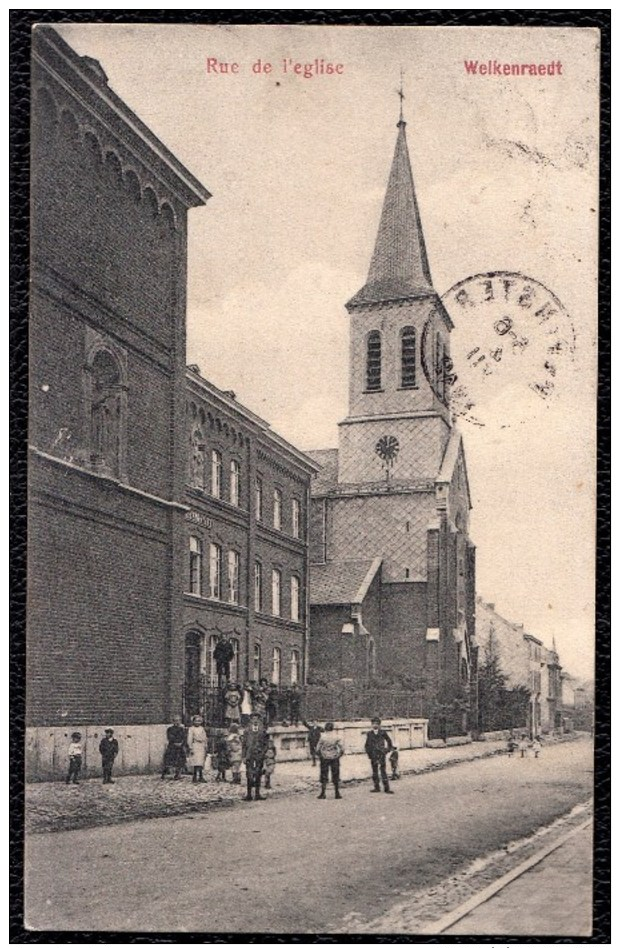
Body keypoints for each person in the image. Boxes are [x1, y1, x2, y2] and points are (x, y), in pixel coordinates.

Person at [242, 712, 269, 801]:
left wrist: (263, 752)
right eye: (253, 719)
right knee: (249, 774)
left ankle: (257, 794)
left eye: (257, 719)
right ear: (251, 720)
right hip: (249, 755)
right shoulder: (246, 731)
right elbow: (244, 744)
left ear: (259, 720)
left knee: (258, 773)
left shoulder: (263, 731)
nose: (255, 721)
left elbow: (266, 744)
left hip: (259, 755)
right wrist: (243, 756)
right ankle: (249, 794)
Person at [365, 718, 394, 793]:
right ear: (371, 725)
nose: (375, 725)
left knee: (383, 771)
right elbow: (367, 744)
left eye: (377, 723)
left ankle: (387, 788)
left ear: (379, 725)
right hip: (373, 754)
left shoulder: (383, 732)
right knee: (374, 771)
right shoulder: (369, 733)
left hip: (381, 754)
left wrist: (387, 750)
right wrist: (369, 754)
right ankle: (376, 787)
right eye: (373, 723)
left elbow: (389, 741)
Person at [316, 722, 344, 799]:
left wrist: (321, 756)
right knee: (335, 774)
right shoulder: (336, 737)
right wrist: (339, 755)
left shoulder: (323, 737)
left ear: (325, 728)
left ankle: (323, 793)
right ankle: (337, 793)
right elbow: (342, 748)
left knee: (324, 774)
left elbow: (318, 749)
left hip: (325, 757)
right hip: (334, 757)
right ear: (333, 728)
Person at [187, 714, 208, 782]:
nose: (198, 722)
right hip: (195, 745)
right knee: (196, 762)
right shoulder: (191, 729)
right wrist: (190, 747)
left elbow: (205, 738)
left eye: (199, 721)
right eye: (196, 721)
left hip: (201, 746)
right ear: (193, 721)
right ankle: (195, 776)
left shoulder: (202, 728)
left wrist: (205, 745)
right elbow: (190, 738)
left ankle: (201, 776)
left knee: (201, 762)